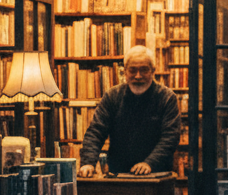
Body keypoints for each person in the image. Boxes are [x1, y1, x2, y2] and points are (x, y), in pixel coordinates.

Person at [77, 45, 180, 177]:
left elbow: (170, 137)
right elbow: (95, 132)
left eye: (144, 70)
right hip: (119, 175)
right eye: (132, 70)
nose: (138, 76)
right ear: (124, 72)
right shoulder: (112, 96)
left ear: (153, 71)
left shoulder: (167, 98)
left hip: (157, 175)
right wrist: (88, 162)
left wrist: (149, 163)